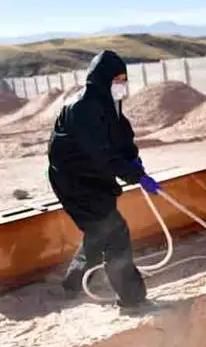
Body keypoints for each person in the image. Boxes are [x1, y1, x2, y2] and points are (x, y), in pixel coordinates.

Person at [47, 49, 162, 314]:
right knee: (114, 231)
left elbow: (121, 138)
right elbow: (101, 153)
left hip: (94, 177)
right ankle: (132, 301)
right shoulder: (81, 109)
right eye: (116, 79)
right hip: (74, 181)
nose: (121, 85)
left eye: (124, 79)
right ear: (101, 79)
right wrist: (135, 176)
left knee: (99, 229)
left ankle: (73, 283)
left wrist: (134, 162)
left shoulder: (109, 104)